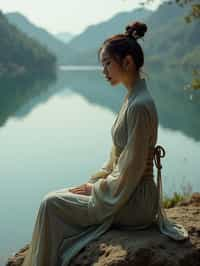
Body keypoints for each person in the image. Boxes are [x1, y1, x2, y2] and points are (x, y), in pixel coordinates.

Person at [21, 21, 188, 266]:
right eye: (103, 64)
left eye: (107, 63)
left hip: (135, 200)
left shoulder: (140, 106)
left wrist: (96, 190)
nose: (104, 71)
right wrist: (94, 182)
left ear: (127, 62)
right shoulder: (132, 99)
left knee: (51, 204)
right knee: (57, 197)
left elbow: (130, 170)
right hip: (124, 191)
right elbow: (116, 160)